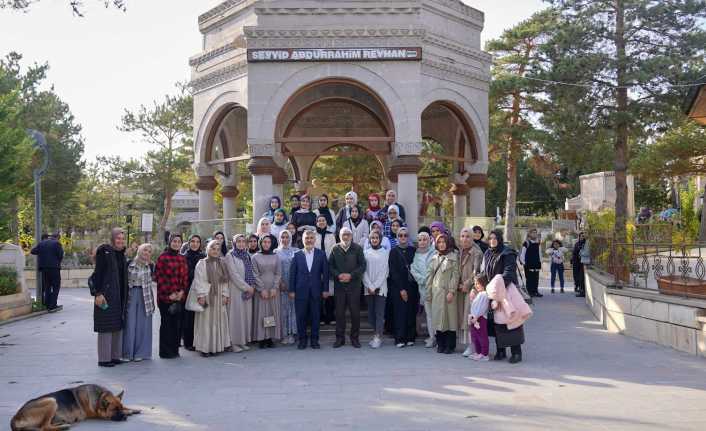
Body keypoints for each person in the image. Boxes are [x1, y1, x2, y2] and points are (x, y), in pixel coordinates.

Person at [482, 229, 524, 363]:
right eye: (490, 238)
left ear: (499, 239)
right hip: (492, 292)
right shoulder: (488, 252)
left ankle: (516, 352)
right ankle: (501, 350)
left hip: (506, 292)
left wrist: (497, 288)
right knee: (496, 323)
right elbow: (484, 271)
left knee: (511, 321)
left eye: (495, 238)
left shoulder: (507, 252)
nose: (492, 241)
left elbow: (509, 273)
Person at [91, 228, 129, 367]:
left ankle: (114, 356)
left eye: (122, 238)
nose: (120, 240)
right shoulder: (104, 251)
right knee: (106, 326)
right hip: (106, 293)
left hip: (119, 294)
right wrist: (98, 293)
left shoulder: (121, 254)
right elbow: (98, 273)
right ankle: (104, 359)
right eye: (118, 238)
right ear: (112, 239)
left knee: (117, 325)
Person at [288, 230, 330, 350]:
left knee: (316, 317)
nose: (309, 240)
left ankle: (314, 340)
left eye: (311, 238)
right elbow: (292, 274)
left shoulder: (321, 254)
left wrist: (326, 289)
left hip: (316, 291)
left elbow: (325, 274)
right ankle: (302, 340)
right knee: (301, 316)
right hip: (300, 291)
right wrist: (291, 290)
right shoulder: (297, 255)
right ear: (303, 240)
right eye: (307, 238)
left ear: (315, 240)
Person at [190, 240, 231, 357]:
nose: (215, 251)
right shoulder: (201, 263)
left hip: (218, 296)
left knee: (218, 320)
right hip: (207, 295)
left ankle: (217, 346)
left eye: (218, 249)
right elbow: (199, 280)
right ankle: (205, 348)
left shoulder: (222, 263)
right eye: (213, 249)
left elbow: (225, 281)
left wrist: (225, 294)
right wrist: (201, 296)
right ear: (208, 249)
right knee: (206, 322)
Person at [328, 227, 366, 348]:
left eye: (348, 235)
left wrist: (351, 275)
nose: (345, 237)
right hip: (339, 287)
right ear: (340, 236)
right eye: (343, 235)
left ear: (351, 236)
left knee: (355, 314)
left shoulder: (358, 248)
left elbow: (362, 265)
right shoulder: (335, 249)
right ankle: (340, 339)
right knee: (339, 314)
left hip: (354, 286)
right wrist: (338, 275)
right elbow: (330, 266)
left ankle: (355, 338)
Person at [155, 234, 189, 359]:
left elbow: (185, 277)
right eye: (174, 241)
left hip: (179, 297)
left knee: (176, 325)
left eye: (178, 241)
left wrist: (181, 292)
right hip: (166, 297)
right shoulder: (163, 257)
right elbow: (159, 277)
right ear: (170, 242)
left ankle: (175, 350)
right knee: (166, 325)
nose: (176, 243)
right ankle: (165, 352)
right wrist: (171, 294)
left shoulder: (182, 258)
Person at [425, 233, 460, 354]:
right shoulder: (435, 257)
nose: (441, 244)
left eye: (443, 242)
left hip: (449, 293)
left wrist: (451, 291)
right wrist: (428, 292)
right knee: (438, 319)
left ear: (448, 242)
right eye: (439, 242)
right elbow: (429, 276)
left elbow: (456, 275)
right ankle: (441, 344)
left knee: (450, 319)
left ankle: (450, 346)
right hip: (437, 292)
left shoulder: (454, 256)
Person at [122, 243, 155, 362]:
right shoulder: (129, 263)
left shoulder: (150, 265)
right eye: (145, 250)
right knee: (129, 324)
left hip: (145, 295)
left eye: (149, 251)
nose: (147, 253)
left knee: (143, 325)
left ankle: (140, 353)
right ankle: (127, 353)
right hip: (132, 295)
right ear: (139, 251)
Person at [388, 227, 419, 348]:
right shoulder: (393, 251)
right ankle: (400, 338)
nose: (403, 238)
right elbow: (393, 272)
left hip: (412, 285)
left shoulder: (413, 250)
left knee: (411, 311)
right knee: (400, 312)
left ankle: (410, 337)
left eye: (405, 235)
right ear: (397, 237)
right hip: (398, 287)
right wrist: (401, 289)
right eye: (400, 235)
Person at [224, 234, 254, 353]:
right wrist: (247, 287)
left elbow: (251, 271)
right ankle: (233, 342)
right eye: (238, 241)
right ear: (234, 243)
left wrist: (252, 286)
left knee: (245, 316)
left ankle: (242, 341)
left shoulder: (246, 255)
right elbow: (233, 275)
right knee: (235, 317)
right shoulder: (230, 255)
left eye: (243, 241)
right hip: (236, 290)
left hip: (248, 290)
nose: (241, 243)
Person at [252, 234, 282, 348]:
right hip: (261, 289)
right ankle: (261, 338)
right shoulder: (255, 257)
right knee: (261, 313)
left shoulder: (276, 256)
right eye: (264, 242)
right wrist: (261, 289)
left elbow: (278, 273)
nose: (266, 244)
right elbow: (254, 274)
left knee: (271, 312)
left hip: (273, 289)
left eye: (268, 242)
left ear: (271, 243)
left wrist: (275, 287)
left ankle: (269, 337)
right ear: (261, 243)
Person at [457, 227, 483, 356]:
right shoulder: (460, 251)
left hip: (471, 289)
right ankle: (467, 344)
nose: (464, 239)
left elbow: (476, 273)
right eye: (462, 236)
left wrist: (466, 284)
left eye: (467, 236)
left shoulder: (476, 252)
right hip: (460, 289)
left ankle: (472, 346)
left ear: (473, 238)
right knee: (463, 316)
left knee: (469, 317)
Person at [363, 230, 389, 349]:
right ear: (369, 239)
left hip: (380, 288)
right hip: (368, 288)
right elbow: (363, 271)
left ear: (380, 239)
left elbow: (385, 272)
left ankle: (378, 337)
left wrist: (375, 286)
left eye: (376, 238)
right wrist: (369, 285)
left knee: (379, 313)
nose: (374, 240)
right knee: (371, 315)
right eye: (372, 238)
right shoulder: (365, 252)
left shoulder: (385, 252)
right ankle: (375, 334)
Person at [411, 231, 436, 348]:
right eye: (420, 240)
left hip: (435, 288)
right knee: (429, 315)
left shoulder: (435, 253)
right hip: (424, 289)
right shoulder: (416, 254)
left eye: (424, 239)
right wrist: (422, 280)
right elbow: (413, 270)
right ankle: (432, 337)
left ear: (429, 240)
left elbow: (436, 270)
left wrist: (429, 280)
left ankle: (438, 337)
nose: (422, 242)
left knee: (436, 314)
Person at [182, 235, 205, 351]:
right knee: (189, 317)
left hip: (201, 289)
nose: (195, 244)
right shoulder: (184, 257)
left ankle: (199, 341)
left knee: (200, 316)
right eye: (192, 241)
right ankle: (188, 342)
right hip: (188, 289)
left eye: (197, 242)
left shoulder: (203, 256)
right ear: (189, 243)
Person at [276, 229, 298, 345]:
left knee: (293, 309)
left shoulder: (296, 251)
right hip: (281, 286)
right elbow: (274, 269)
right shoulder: (275, 252)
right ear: (279, 239)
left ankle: (293, 333)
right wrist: (280, 282)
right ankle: (283, 334)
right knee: (283, 309)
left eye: (287, 237)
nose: (285, 240)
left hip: (294, 285)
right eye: (283, 237)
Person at [31, 233, 64, 311]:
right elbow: (60, 255)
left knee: (47, 286)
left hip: (44, 269)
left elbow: (33, 251)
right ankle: (52, 305)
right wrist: (56, 262)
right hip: (54, 268)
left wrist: (42, 255)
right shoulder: (57, 243)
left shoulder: (42, 243)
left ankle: (47, 304)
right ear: (57, 238)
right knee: (56, 286)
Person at [315, 215, 336, 325]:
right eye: (319, 221)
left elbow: (334, 250)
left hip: (328, 264)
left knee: (330, 292)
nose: (321, 222)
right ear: (316, 223)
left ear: (326, 222)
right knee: (318, 291)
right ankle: (321, 317)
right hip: (317, 266)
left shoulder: (331, 235)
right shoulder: (313, 235)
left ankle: (330, 316)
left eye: (323, 220)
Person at [467, 274, 490, 361]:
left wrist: (476, 316)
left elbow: (482, 308)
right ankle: (478, 352)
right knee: (475, 336)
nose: (476, 285)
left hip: (480, 318)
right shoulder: (479, 294)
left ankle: (484, 354)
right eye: (475, 283)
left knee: (482, 336)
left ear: (483, 283)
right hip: (475, 318)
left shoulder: (484, 294)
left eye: (478, 283)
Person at [519, 229, 542, 298]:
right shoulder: (526, 243)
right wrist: (523, 262)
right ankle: (529, 292)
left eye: (535, 233)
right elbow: (522, 253)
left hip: (536, 263)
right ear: (529, 234)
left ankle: (535, 291)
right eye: (533, 233)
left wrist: (540, 261)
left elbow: (539, 253)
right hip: (528, 264)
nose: (534, 234)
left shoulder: (537, 243)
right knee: (529, 279)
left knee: (536, 278)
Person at [572, 232, 590, 297]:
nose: (583, 237)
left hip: (583, 262)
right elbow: (574, 252)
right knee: (577, 276)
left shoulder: (586, 243)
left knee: (582, 277)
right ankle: (578, 287)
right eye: (581, 236)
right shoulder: (577, 244)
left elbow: (586, 252)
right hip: (577, 262)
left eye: (583, 236)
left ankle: (582, 290)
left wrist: (580, 252)